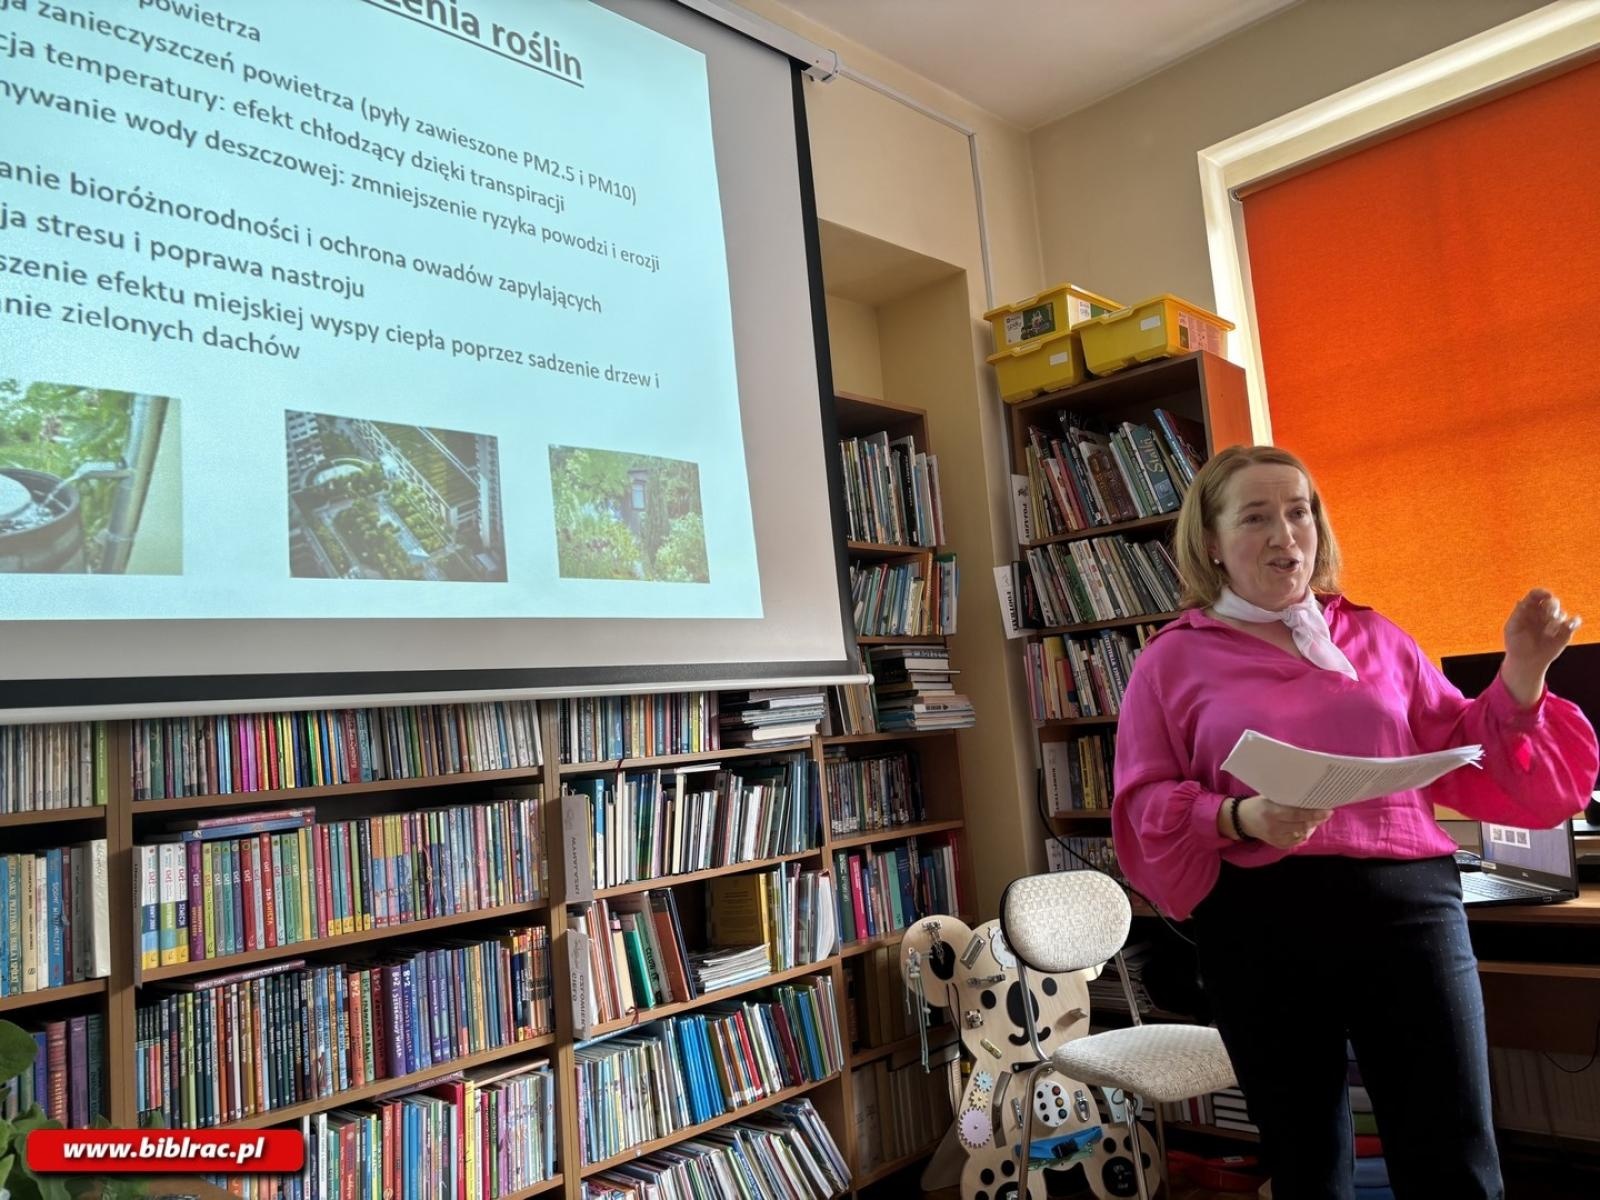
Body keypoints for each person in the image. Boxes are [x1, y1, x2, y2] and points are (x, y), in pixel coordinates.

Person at [1111, 445, 1598, 1200]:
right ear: (1211, 543)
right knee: (1309, 1159)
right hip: (1262, 920)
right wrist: (1241, 815)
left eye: (1300, 511)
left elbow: (1465, 745)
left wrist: (1523, 673)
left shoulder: (1376, 636)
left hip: (1409, 905)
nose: (1288, 534)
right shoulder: (1171, 660)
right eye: (1258, 516)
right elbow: (1143, 804)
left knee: (1454, 1145)